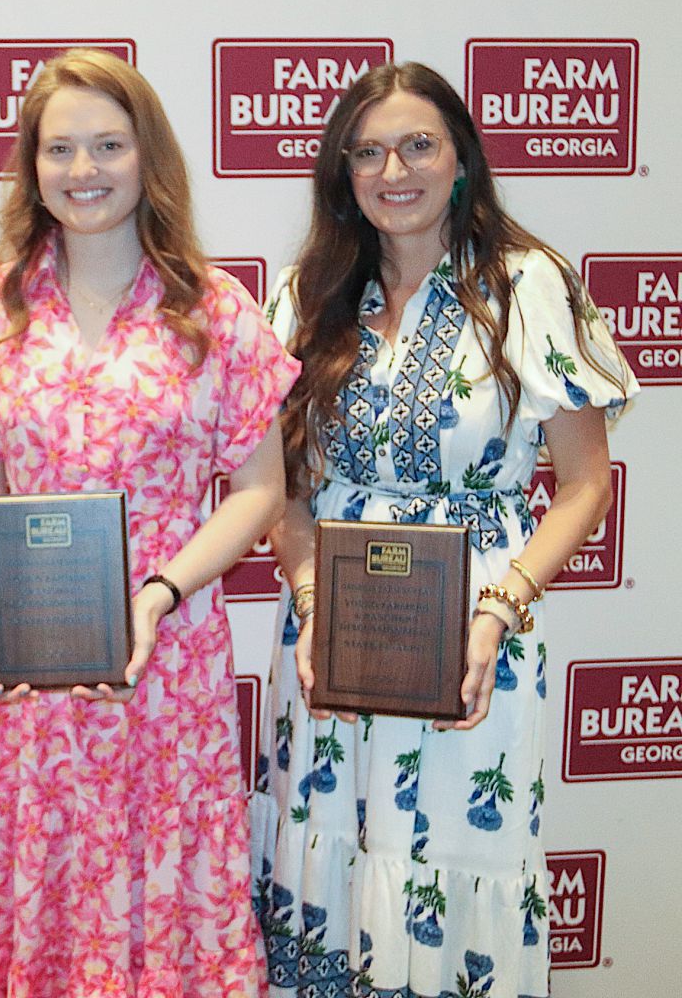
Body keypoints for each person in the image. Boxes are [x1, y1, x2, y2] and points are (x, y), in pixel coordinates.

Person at [253, 61, 637, 998]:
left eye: (418, 145)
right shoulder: (308, 293)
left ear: (461, 158)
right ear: (343, 172)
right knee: (331, 864)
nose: (394, 171)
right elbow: (282, 489)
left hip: (477, 642)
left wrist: (499, 612)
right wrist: (313, 603)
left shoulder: (529, 285)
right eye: (368, 152)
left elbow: (586, 485)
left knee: (453, 874)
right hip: (332, 640)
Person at [0, 48, 298, 996]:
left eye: (108, 145)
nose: (83, 169)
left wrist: (159, 592)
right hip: (27, 670)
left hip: (165, 665)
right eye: (59, 148)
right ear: (32, 165)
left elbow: (259, 489)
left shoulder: (214, 310)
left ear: (148, 158)